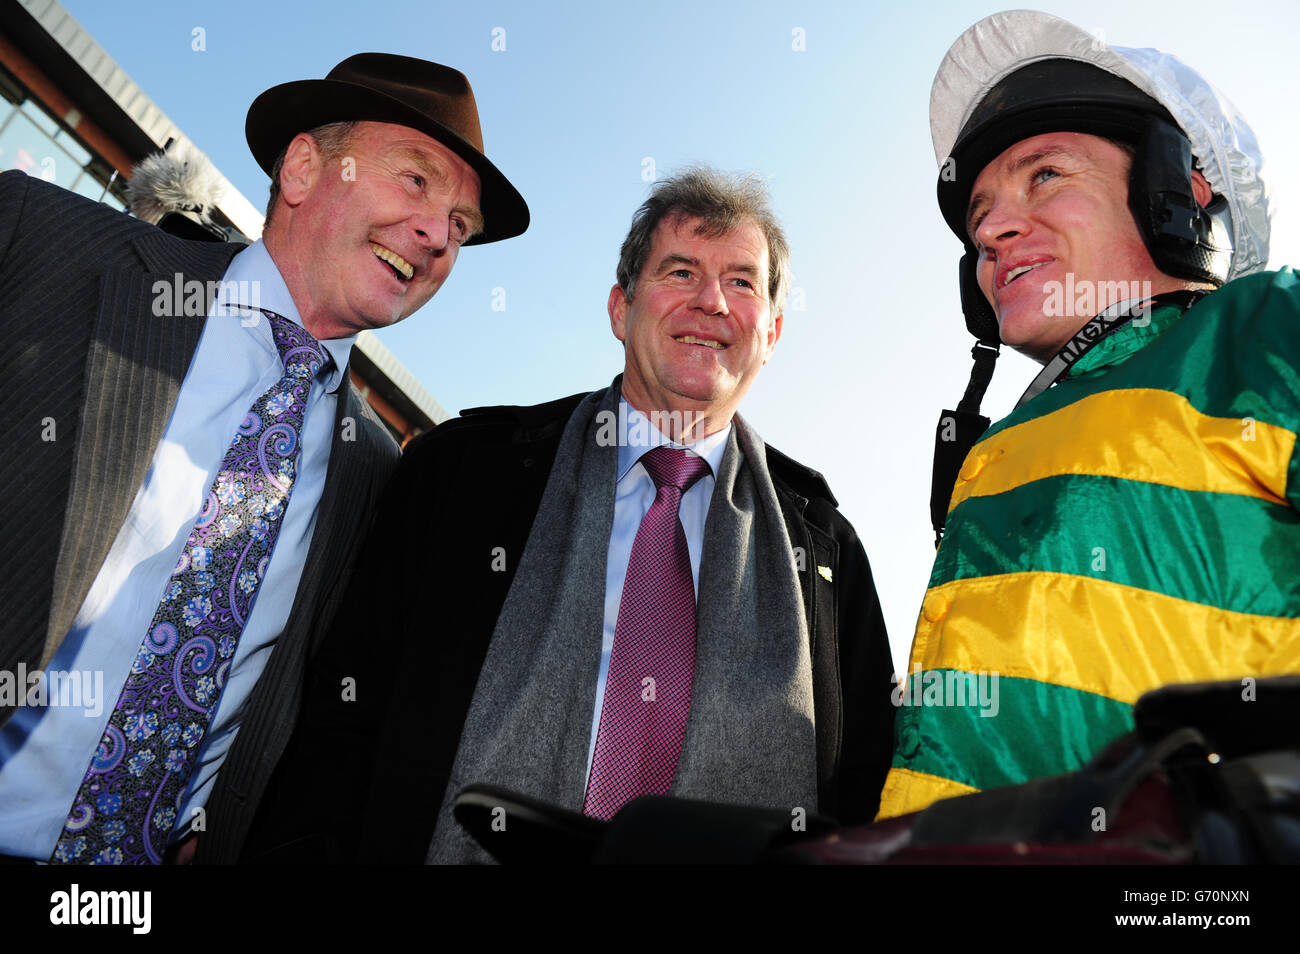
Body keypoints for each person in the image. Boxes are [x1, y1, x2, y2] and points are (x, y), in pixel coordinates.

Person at [244, 167, 896, 864]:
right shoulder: (462, 474)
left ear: (770, 332)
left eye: (741, 282)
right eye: (680, 272)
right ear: (620, 309)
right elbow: (337, 725)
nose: (712, 302)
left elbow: (864, 794)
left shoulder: (825, 552)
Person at [0, 53, 528, 864]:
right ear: (305, 167)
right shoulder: (38, 245)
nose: (436, 236)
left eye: (460, 227)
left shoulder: (376, 473)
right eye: (417, 182)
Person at [880, 10, 1297, 820]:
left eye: (1046, 177)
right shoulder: (994, 450)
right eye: (979, 216)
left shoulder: (1268, 331)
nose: (992, 231)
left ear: (1179, 192)